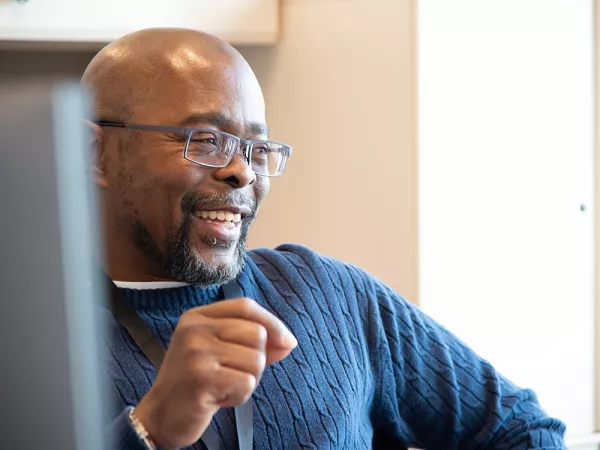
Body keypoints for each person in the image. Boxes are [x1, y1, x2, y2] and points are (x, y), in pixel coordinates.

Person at [83, 28, 566, 449]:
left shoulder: (330, 294)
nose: (241, 172)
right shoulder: (30, 341)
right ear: (95, 153)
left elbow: (523, 430)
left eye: (257, 148)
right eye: (206, 139)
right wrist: (148, 431)